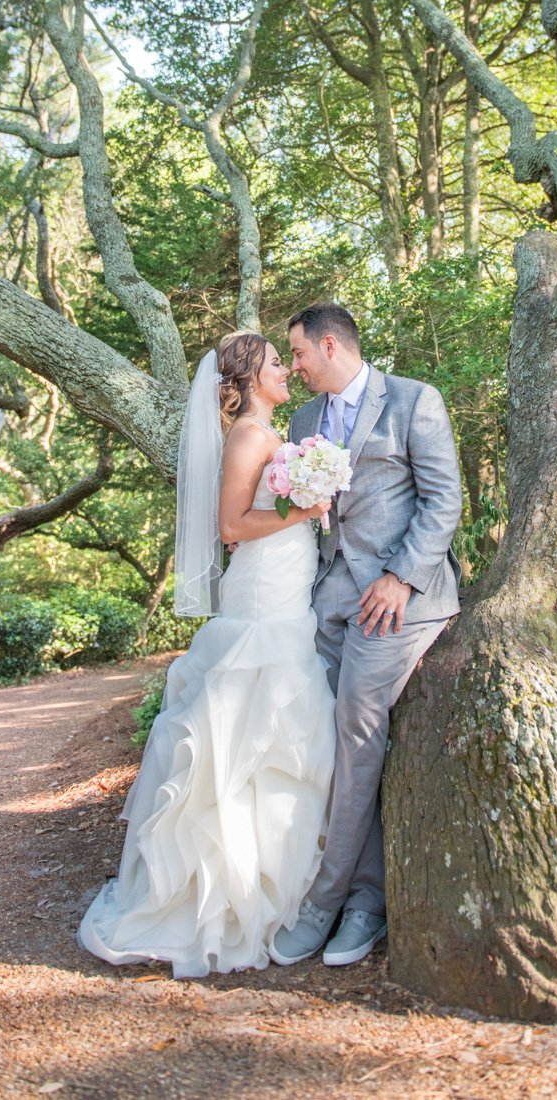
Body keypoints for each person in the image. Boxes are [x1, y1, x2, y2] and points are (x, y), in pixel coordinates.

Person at [78, 332, 336, 978]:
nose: (286, 370)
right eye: (277, 362)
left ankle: (271, 890)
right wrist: (300, 512)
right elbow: (230, 528)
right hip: (262, 600)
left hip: (286, 593)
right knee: (247, 738)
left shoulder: (268, 432)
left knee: (277, 733)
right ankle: (224, 904)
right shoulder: (250, 435)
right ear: (249, 380)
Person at [270, 303, 462, 968]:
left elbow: (444, 502)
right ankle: (364, 896)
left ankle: (334, 905)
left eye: (297, 354)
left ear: (329, 345)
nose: (292, 368)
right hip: (327, 601)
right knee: (314, 733)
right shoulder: (302, 422)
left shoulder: (413, 401)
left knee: (356, 722)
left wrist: (403, 579)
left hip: (400, 602)